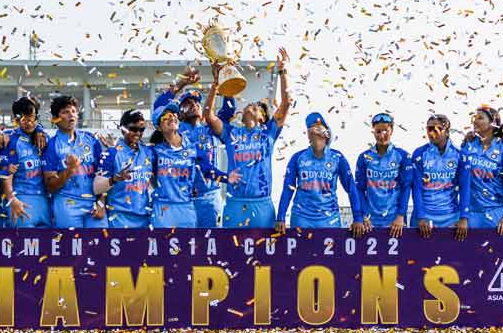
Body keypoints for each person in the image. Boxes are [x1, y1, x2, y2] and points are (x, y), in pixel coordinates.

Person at [204, 48, 292, 228]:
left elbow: (286, 102)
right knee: (232, 255)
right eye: (249, 105)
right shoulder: (231, 133)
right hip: (235, 203)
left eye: (256, 107)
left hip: (262, 205)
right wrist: (216, 83)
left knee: (265, 255)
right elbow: (208, 115)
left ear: (262, 117)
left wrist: (283, 71)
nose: (250, 105)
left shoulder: (268, 133)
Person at [153, 66, 236, 227]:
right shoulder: (176, 129)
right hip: (184, 199)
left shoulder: (210, 127)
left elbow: (228, 111)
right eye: (188, 103)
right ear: (180, 112)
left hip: (210, 197)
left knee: (209, 246)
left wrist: (223, 80)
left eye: (197, 102)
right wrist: (182, 83)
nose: (194, 105)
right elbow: (159, 105)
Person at [275, 112, 358, 233]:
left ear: (327, 133)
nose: (314, 129)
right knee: (302, 252)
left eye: (318, 126)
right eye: (311, 127)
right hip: (301, 218)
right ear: (308, 134)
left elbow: (351, 187)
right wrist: (281, 217)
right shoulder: (298, 158)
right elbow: (288, 189)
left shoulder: (337, 157)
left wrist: (358, 218)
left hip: (330, 220)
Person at [43, 95, 107, 228]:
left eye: (73, 111)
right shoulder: (51, 145)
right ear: (56, 118)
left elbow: (102, 175)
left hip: (92, 203)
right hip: (67, 205)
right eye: (65, 112)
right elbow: (50, 186)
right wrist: (70, 170)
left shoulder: (91, 140)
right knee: (70, 247)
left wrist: (101, 204)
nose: (71, 115)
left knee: (99, 247)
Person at [461, 105, 503, 234]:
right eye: (474, 117)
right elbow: (462, 181)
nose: (475, 121)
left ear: (492, 123)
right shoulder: (468, 144)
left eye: (480, 118)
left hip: (496, 212)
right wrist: (463, 215)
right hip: (471, 213)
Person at [410, 114, 470, 240]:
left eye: (436, 129)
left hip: (451, 217)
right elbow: (416, 188)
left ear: (447, 131)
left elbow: (465, 188)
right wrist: (421, 216)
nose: (432, 133)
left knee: (451, 259)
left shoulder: (460, 155)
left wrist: (464, 217)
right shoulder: (419, 153)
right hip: (424, 217)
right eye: (429, 129)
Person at [354, 113, 413, 238]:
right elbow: (359, 189)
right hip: (370, 221)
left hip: (395, 220)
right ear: (373, 132)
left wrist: (400, 216)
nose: (382, 135)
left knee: (398, 258)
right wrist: (364, 215)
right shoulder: (364, 157)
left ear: (392, 130)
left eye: (386, 130)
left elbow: (406, 188)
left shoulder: (402, 156)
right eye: (378, 131)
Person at [95, 109, 154, 228]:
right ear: (122, 128)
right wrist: (115, 179)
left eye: (141, 129)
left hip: (144, 220)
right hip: (118, 220)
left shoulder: (149, 153)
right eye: (133, 129)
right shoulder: (111, 153)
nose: (138, 133)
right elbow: (97, 188)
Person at [0, 97, 51, 228]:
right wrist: (12, 199)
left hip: (44, 199)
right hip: (21, 198)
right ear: (16, 119)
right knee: (23, 246)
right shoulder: (10, 140)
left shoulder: (44, 138)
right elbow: (7, 174)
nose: (29, 124)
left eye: (32, 119)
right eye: (24, 119)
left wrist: (40, 130)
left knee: (45, 245)